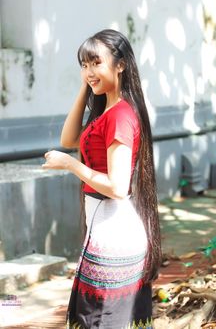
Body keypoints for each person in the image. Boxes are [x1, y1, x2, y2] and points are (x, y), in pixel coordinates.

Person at [42, 29, 162, 329]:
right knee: (97, 318)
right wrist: (86, 87)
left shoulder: (120, 115)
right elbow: (68, 137)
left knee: (100, 320)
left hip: (115, 232)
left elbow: (118, 187)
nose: (89, 71)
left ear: (120, 64)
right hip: (106, 230)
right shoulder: (106, 111)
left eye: (96, 63)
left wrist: (71, 165)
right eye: (84, 65)